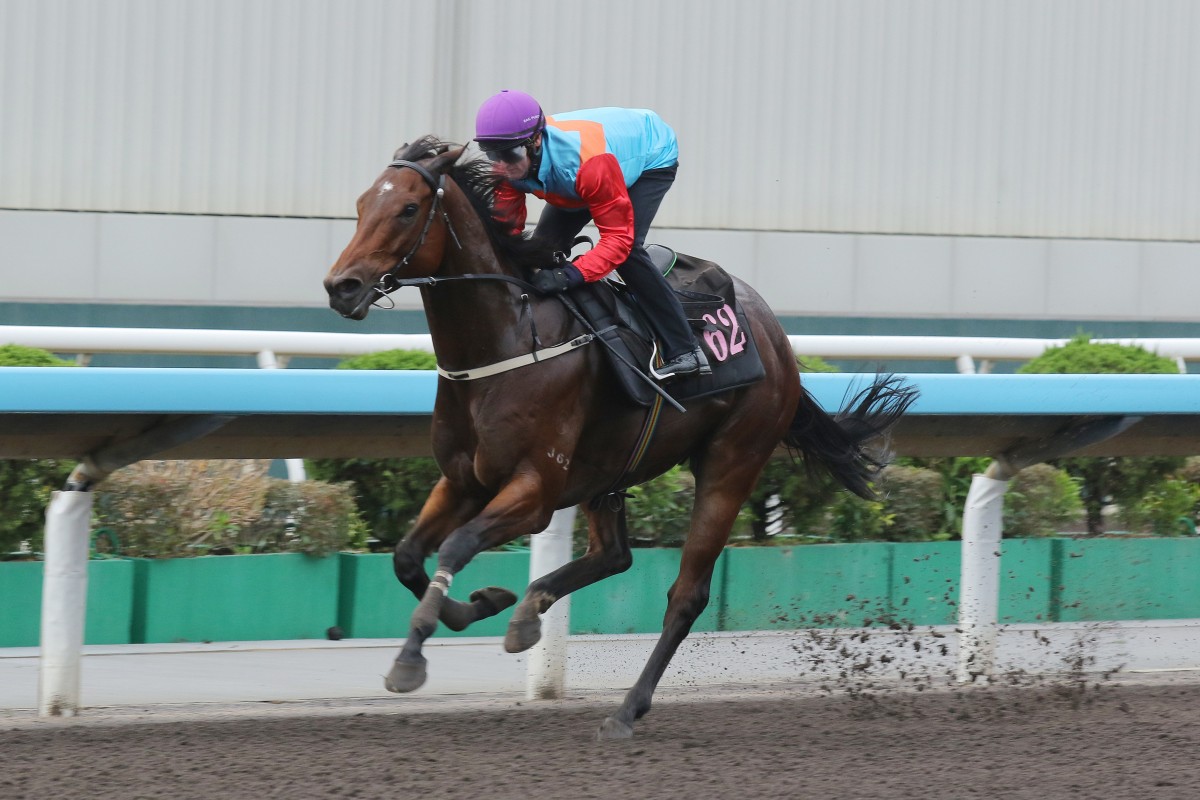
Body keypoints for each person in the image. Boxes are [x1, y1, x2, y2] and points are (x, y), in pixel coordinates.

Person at [473, 89, 711, 382]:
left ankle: (685, 350)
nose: (501, 166)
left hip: (648, 157)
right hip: (578, 175)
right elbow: (506, 231)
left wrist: (569, 275)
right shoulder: (507, 167)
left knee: (630, 254)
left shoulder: (589, 165)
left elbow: (617, 242)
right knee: (542, 249)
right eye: (492, 155)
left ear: (535, 141)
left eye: (509, 154)